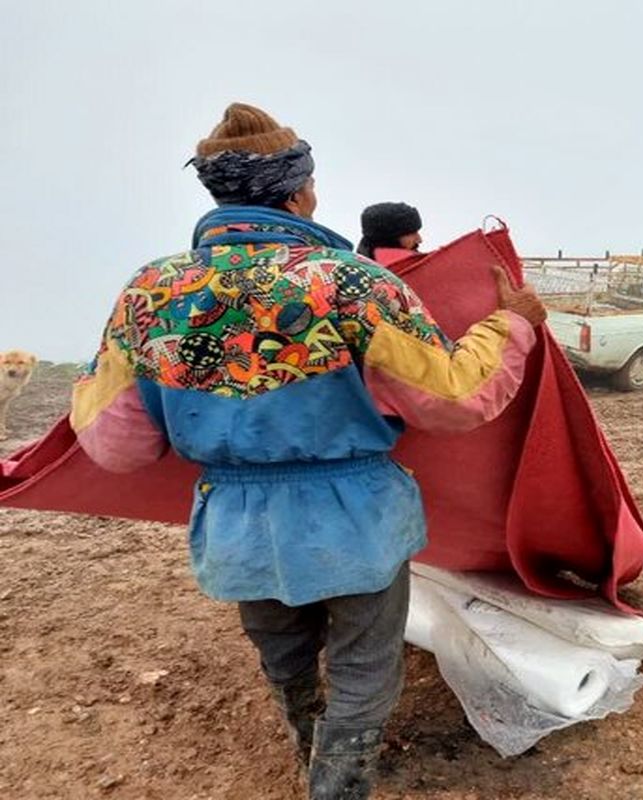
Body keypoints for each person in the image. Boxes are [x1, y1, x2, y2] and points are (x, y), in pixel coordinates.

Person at [69, 103, 546, 799]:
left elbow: (115, 442)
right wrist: (510, 324)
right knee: (363, 663)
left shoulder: (150, 293)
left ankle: (304, 739)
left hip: (235, 524)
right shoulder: (349, 285)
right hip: (353, 517)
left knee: (283, 649)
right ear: (301, 192)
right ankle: (338, 784)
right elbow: (452, 396)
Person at [358, 201, 424, 273]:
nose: (419, 240)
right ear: (389, 240)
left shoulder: (421, 264)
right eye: (411, 233)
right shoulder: (361, 279)